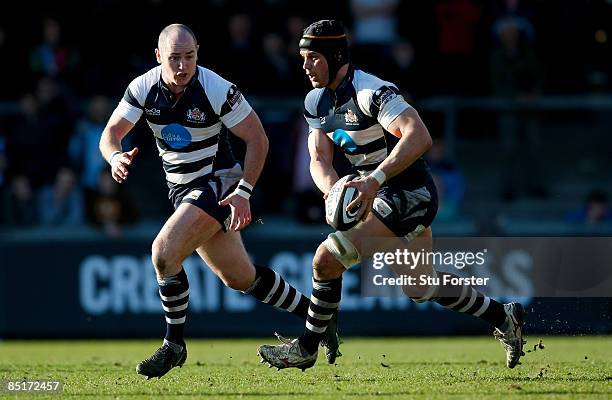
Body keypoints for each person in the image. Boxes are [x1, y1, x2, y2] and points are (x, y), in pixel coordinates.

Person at [258, 20, 526, 371]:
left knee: (325, 260)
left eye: (312, 57)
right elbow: (319, 158)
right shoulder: (316, 101)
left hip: (409, 192)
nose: (305, 65)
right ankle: (504, 315)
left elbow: (419, 136)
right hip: (380, 193)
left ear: (335, 56)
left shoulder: (372, 91)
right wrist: (331, 190)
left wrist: (374, 180)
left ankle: (306, 346)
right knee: (420, 287)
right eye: (303, 58)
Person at [99, 24, 339, 379]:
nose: (183, 66)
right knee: (239, 278)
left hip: (218, 183)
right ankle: (317, 317)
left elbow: (258, 139)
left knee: (163, 253)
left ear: (198, 52)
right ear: (158, 57)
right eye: (174, 58)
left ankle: (174, 345)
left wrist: (243, 192)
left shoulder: (216, 88)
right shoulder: (142, 88)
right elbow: (110, 134)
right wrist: (115, 156)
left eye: (190, 56)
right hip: (183, 191)